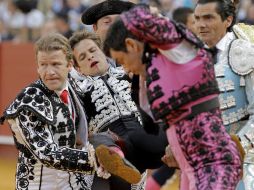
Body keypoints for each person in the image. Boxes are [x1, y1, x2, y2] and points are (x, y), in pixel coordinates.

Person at [103, 4, 242, 190]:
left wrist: (137, 13)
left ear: (131, 45)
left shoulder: (181, 53)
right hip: (189, 169)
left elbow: (157, 23)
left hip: (213, 165)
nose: (125, 68)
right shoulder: (151, 74)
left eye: (121, 60)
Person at [0, 33, 137, 189]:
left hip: (74, 184)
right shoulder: (29, 101)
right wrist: (94, 160)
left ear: (70, 65)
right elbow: (47, 154)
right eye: (43, 65)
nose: (49, 71)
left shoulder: (76, 90)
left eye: (56, 64)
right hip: (40, 185)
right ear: (37, 67)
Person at [69, 29, 172, 190]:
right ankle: (118, 160)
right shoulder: (78, 92)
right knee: (98, 140)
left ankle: (176, 147)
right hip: (119, 143)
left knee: (168, 124)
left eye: (92, 51)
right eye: (82, 57)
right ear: (78, 69)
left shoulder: (129, 71)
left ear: (103, 53)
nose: (90, 56)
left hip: (146, 137)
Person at [194, 0, 254, 189]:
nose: (201, 24)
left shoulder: (243, 52)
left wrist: (239, 145)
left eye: (208, 17)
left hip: (246, 161)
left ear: (228, 20)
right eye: (197, 18)